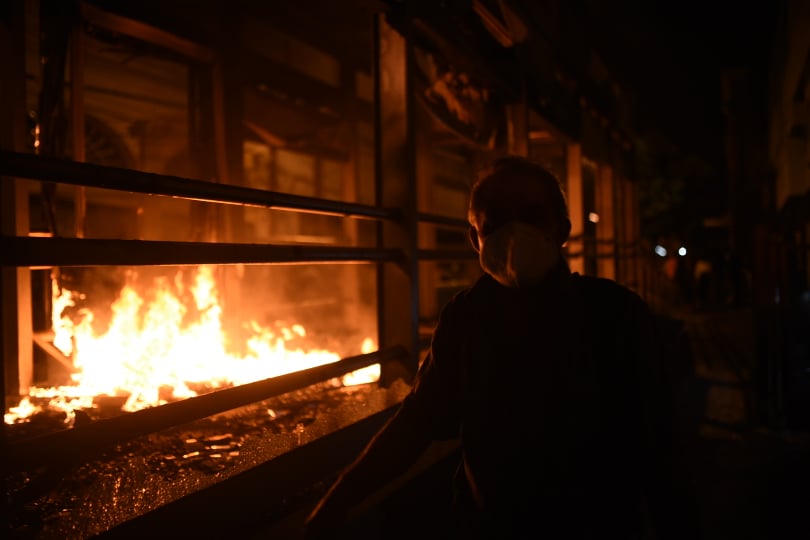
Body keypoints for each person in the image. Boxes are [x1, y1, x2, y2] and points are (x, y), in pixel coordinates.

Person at [305, 157, 700, 539]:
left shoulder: (614, 314)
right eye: (496, 220)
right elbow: (417, 423)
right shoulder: (464, 319)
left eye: (530, 215)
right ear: (475, 238)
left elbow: (660, 446)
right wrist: (338, 501)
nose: (513, 232)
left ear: (561, 231)